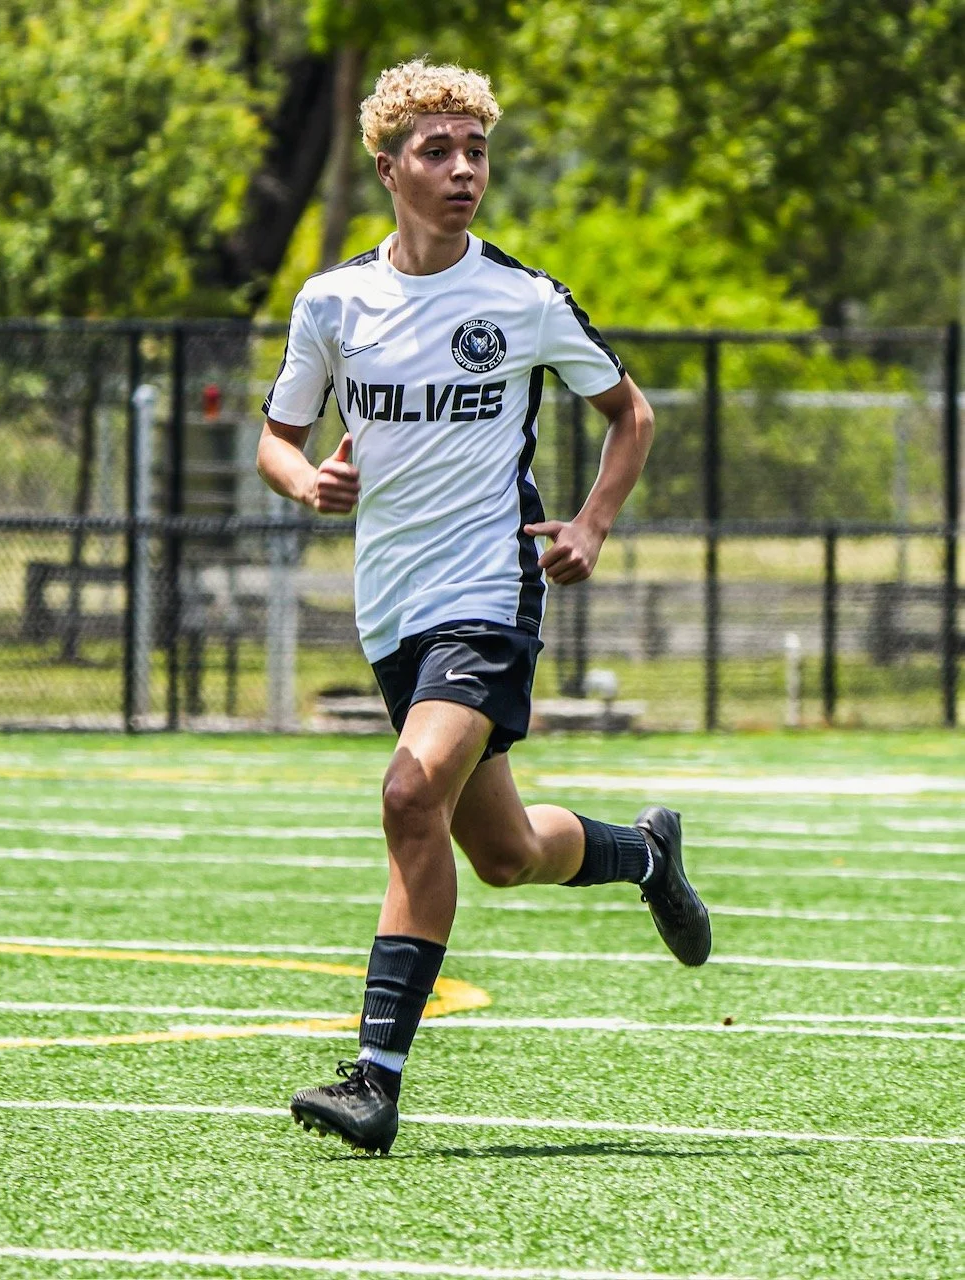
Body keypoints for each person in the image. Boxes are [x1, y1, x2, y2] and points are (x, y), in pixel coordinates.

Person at [257, 60, 710, 1156]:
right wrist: (307, 482)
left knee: (409, 791)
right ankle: (647, 855)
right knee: (501, 852)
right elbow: (277, 438)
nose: (463, 170)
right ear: (387, 168)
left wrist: (591, 523)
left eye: (476, 152)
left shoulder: (521, 299)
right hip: (390, 605)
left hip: (489, 587)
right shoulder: (332, 302)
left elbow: (631, 414)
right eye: (437, 152)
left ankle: (374, 1079)